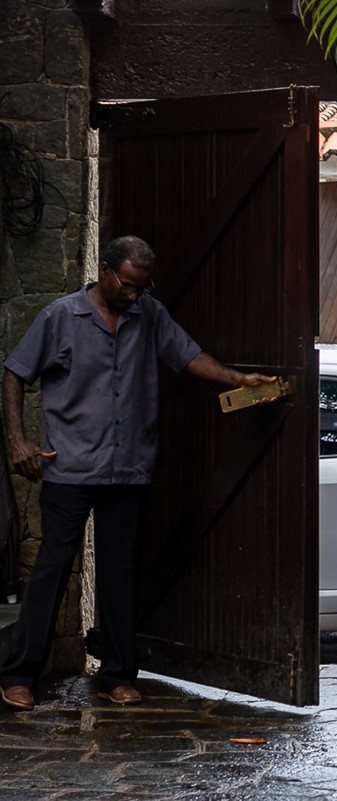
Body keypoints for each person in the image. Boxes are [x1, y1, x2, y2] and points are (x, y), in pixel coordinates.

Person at [0, 235, 277, 711]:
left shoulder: (149, 313)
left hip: (126, 470)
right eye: (127, 286)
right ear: (106, 271)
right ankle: (20, 676)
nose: (133, 295)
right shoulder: (61, 317)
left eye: (141, 288)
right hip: (69, 469)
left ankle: (118, 676)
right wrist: (18, 443)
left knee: (119, 575)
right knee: (51, 571)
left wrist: (237, 379)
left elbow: (188, 356)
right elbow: (14, 373)